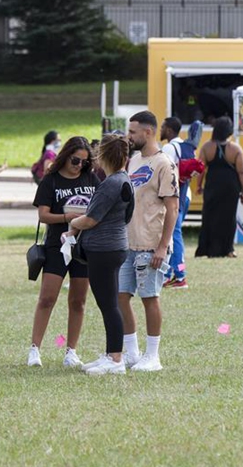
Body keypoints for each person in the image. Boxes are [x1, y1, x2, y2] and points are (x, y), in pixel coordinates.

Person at [27, 137, 100, 368]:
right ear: (65, 156)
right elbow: (43, 215)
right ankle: (34, 349)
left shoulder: (91, 178)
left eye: (84, 162)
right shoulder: (51, 180)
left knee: (78, 301)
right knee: (47, 298)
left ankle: (71, 351)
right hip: (57, 244)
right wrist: (68, 217)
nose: (79, 165)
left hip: (83, 245)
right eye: (75, 160)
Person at [65, 134, 134, 376]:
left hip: (103, 249)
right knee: (110, 303)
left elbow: (91, 218)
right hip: (116, 245)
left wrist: (72, 223)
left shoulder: (110, 184)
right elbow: (125, 216)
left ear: (102, 156)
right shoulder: (124, 180)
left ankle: (115, 359)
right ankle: (112, 354)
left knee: (108, 305)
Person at [119, 111, 179, 372]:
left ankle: (152, 356)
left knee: (149, 297)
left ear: (148, 132)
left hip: (151, 246)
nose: (128, 136)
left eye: (132, 132)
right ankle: (131, 352)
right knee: (120, 297)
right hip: (128, 244)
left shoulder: (164, 164)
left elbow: (172, 208)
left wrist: (163, 246)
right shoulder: (132, 161)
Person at [195, 116, 243, 258]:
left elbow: (201, 169)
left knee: (209, 216)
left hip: (212, 184)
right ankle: (228, 249)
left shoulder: (206, 147)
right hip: (231, 186)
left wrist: (199, 186)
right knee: (228, 218)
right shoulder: (235, 148)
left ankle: (207, 249)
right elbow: (241, 172)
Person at [161, 117, 202, 289]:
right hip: (186, 195)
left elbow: (164, 174)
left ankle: (179, 275)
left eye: (163, 127)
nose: (161, 129)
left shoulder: (169, 148)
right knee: (172, 234)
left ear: (169, 130)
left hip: (174, 196)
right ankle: (171, 274)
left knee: (173, 234)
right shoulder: (187, 147)